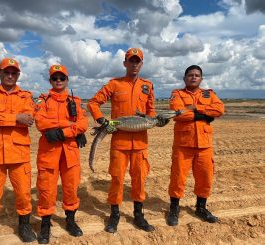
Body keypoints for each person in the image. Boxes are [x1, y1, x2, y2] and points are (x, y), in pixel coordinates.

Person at [87, 48, 168, 233]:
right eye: (131, 61)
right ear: (125, 63)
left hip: (140, 143)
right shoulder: (114, 84)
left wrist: (157, 121)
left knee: (139, 179)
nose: (134, 64)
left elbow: (151, 111)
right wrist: (101, 120)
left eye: (137, 61)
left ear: (141, 64)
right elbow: (93, 103)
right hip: (119, 143)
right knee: (117, 179)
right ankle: (114, 215)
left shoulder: (147, 85)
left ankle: (139, 215)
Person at [0, 58, 37, 244]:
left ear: (18, 75)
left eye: (14, 73)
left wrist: (12, 118)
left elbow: (28, 118)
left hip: (19, 155)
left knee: (24, 195)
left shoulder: (26, 96)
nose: (10, 76)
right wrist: (15, 118)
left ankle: (24, 227)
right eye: (6, 72)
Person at [35, 64, 88, 244]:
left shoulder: (76, 101)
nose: (58, 81)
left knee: (71, 187)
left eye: (62, 78)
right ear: (50, 80)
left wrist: (61, 133)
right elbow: (41, 123)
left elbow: (83, 124)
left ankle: (70, 220)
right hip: (49, 152)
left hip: (70, 152)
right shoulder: (43, 100)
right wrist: (71, 128)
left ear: (67, 80)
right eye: (55, 78)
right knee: (46, 189)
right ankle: (45, 224)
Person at [166, 65, 225, 226]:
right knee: (178, 177)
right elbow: (177, 112)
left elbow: (219, 109)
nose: (193, 77)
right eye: (190, 75)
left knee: (205, 177)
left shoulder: (209, 94)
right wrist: (205, 115)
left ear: (201, 78)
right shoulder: (177, 93)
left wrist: (196, 108)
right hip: (183, 144)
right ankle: (174, 208)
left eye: (197, 75)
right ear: (184, 78)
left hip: (204, 145)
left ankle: (201, 208)